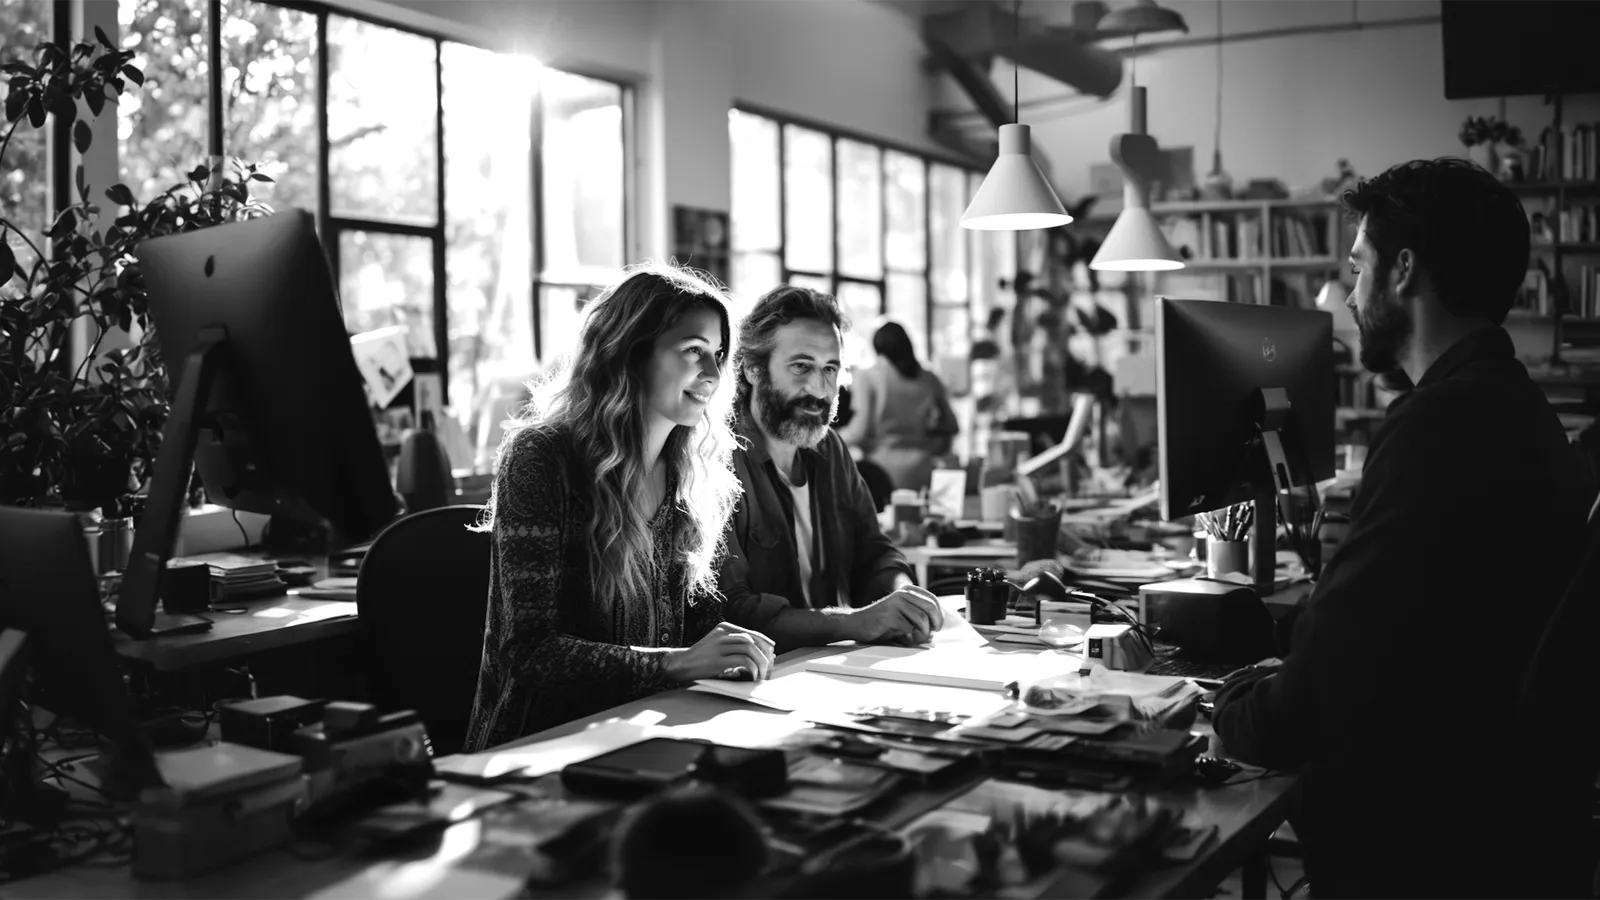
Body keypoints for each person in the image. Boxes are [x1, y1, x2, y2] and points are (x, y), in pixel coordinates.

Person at [1210, 158, 1589, 900]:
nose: (1349, 297)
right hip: (1497, 821)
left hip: (1422, 841)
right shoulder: (1511, 406)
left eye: (1358, 267)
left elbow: (1320, 696)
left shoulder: (1441, 426)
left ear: (1404, 271)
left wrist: (1230, 711)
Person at [463, 265, 775, 752]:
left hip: (648, 726)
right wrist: (675, 663)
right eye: (694, 352)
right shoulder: (542, 457)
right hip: (542, 747)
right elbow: (529, 651)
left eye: (718, 356)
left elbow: (686, 625)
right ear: (631, 352)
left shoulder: (686, 473)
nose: (714, 375)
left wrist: (726, 647)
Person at [719, 285, 944, 652]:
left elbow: (874, 553)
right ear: (752, 369)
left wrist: (904, 596)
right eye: (801, 367)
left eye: (830, 369)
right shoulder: (720, 459)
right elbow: (732, 610)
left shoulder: (829, 448)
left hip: (829, 668)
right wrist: (856, 622)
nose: (820, 390)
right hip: (754, 681)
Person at [837, 321, 959, 492]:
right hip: (924, 471)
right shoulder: (929, 378)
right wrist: (930, 447)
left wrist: (823, 440)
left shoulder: (867, 377)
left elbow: (859, 432)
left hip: (881, 473)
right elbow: (952, 425)